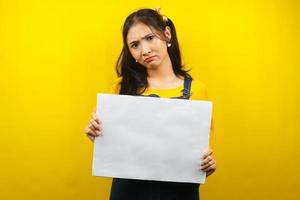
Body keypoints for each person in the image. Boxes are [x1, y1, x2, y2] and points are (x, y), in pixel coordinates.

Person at [85, 8, 216, 200]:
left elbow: (199, 153)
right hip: (129, 192)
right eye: (135, 45)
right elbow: (110, 142)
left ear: (167, 34)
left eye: (149, 38)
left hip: (179, 193)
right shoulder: (122, 87)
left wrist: (207, 164)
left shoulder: (197, 90)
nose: (145, 50)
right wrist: (96, 133)